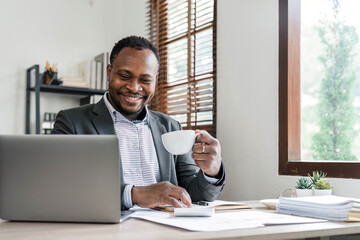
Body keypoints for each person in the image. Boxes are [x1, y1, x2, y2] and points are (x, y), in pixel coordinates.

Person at [52, 36, 225, 210]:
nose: (134, 88)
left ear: (155, 79)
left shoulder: (171, 126)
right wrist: (135, 195)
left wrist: (212, 172)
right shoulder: (72, 122)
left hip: (165, 231)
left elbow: (193, 194)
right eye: (124, 76)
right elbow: (62, 188)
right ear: (109, 72)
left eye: (145, 80)